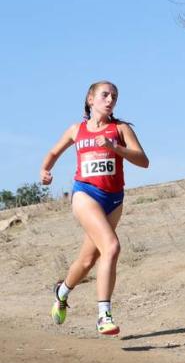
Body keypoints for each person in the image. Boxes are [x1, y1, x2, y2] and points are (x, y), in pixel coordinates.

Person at [41, 81, 150, 336]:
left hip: (113, 200)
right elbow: (54, 152)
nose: (110, 99)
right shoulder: (76, 130)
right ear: (91, 99)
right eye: (105, 95)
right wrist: (45, 170)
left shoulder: (120, 129)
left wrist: (115, 147)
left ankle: (62, 292)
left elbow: (144, 161)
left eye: (114, 96)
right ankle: (104, 315)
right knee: (112, 247)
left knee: (88, 260)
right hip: (85, 194)